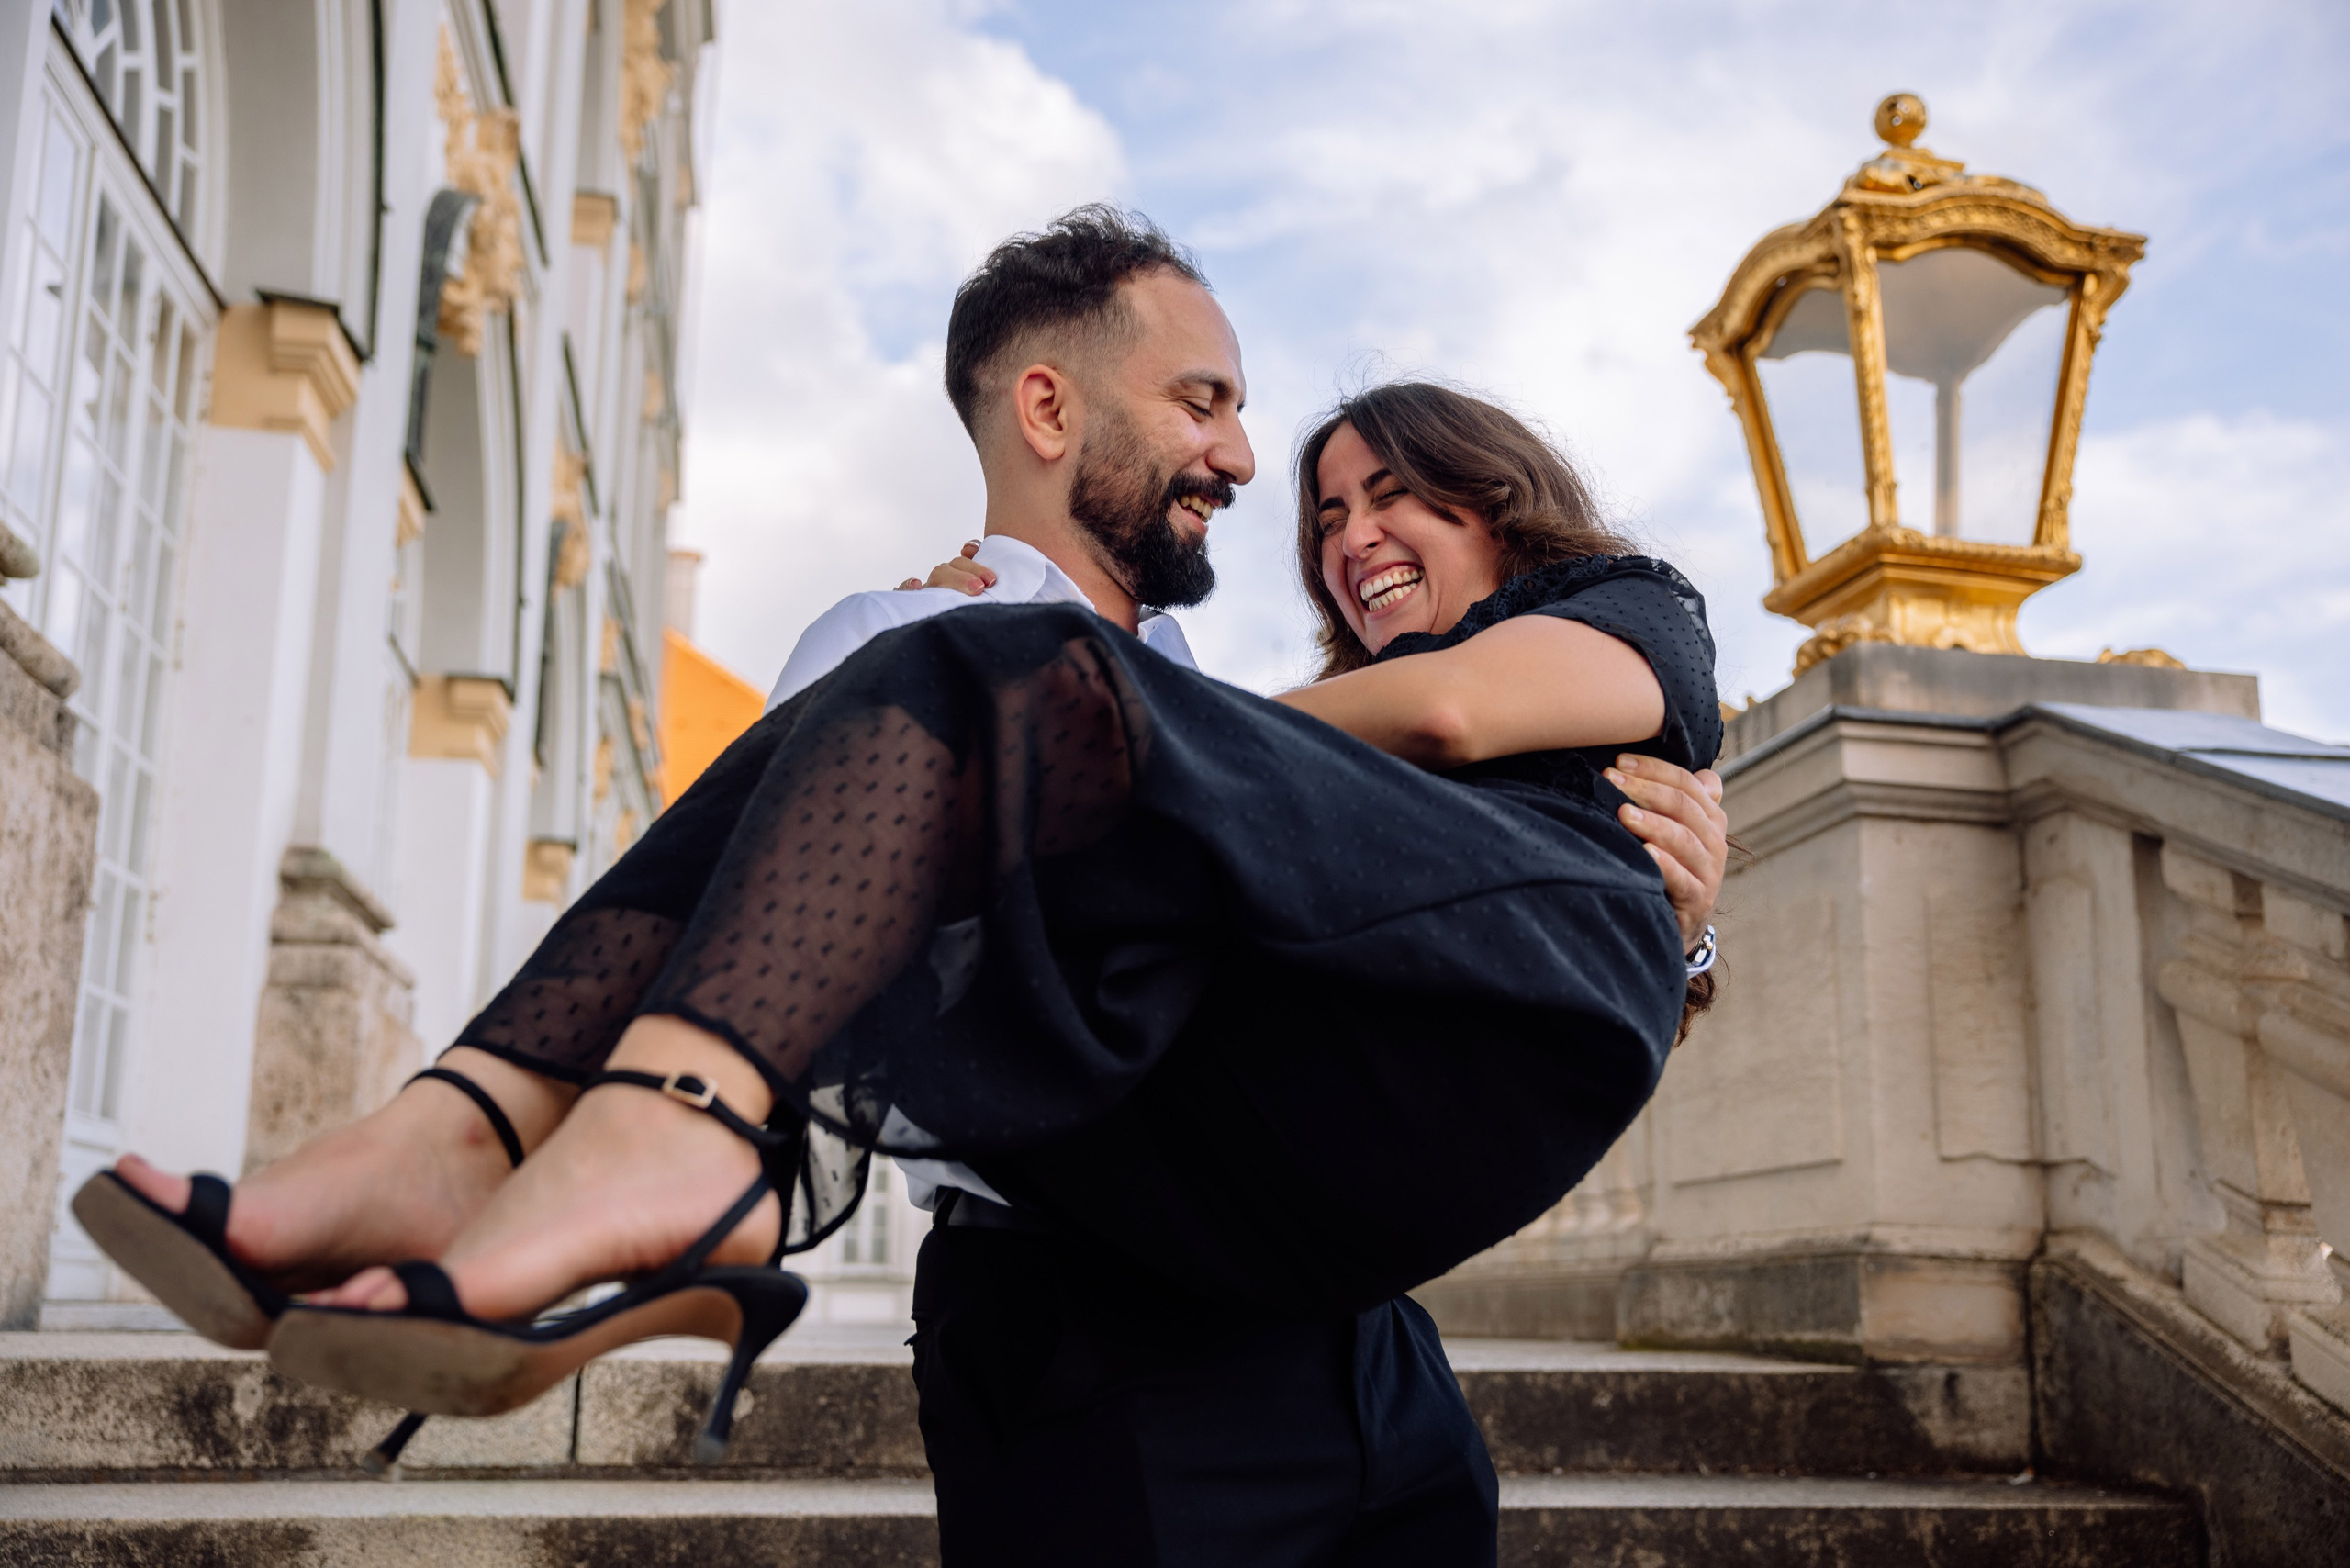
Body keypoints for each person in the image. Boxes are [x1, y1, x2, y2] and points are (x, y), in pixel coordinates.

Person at [75, 208, 1728, 1565]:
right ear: (1051, 408)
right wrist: (1048, 707)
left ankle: (546, 1138)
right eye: (1214, 408)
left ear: (1505, 511)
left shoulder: (1283, 694)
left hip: (1335, 1313)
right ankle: (492, 1132)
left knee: (997, 687)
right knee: (948, 686)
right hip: (1094, 1296)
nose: (1262, 473)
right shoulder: (911, 654)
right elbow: (810, 950)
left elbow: (1417, 872)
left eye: (1386, 494)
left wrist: (1688, 931)